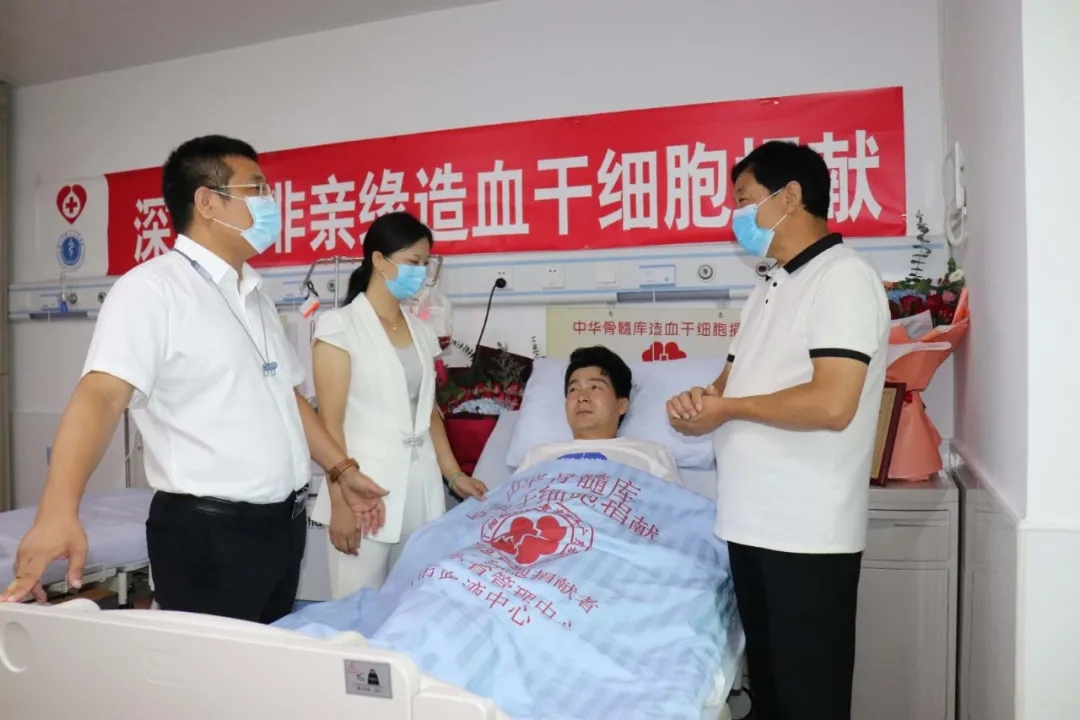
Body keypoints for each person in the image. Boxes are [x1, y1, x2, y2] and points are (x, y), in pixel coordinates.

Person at [0, 135, 388, 625]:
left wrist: (342, 471)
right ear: (207, 202)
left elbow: (286, 398)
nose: (270, 202)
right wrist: (58, 510)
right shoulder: (152, 290)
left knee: (261, 661)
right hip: (210, 538)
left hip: (280, 531)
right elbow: (100, 396)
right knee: (213, 674)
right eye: (257, 189)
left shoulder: (254, 295)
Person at [666, 141, 889, 720]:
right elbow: (727, 384)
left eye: (744, 200)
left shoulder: (843, 278)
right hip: (749, 523)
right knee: (769, 693)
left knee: (807, 700)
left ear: (790, 196)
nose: (735, 216)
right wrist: (697, 403)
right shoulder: (768, 285)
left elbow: (833, 403)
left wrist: (728, 410)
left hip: (806, 532)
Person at [311, 211, 487, 598]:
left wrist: (454, 475)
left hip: (421, 489)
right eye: (413, 262)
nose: (421, 273)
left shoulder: (421, 331)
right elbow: (330, 424)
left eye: (426, 264)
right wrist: (340, 502)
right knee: (357, 611)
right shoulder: (339, 327)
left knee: (414, 605)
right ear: (378, 260)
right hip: (363, 491)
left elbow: (427, 412)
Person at [518, 346, 681, 484]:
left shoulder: (650, 455)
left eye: (595, 387)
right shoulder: (538, 457)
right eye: (573, 389)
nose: (582, 397)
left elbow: (675, 508)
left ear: (622, 405)